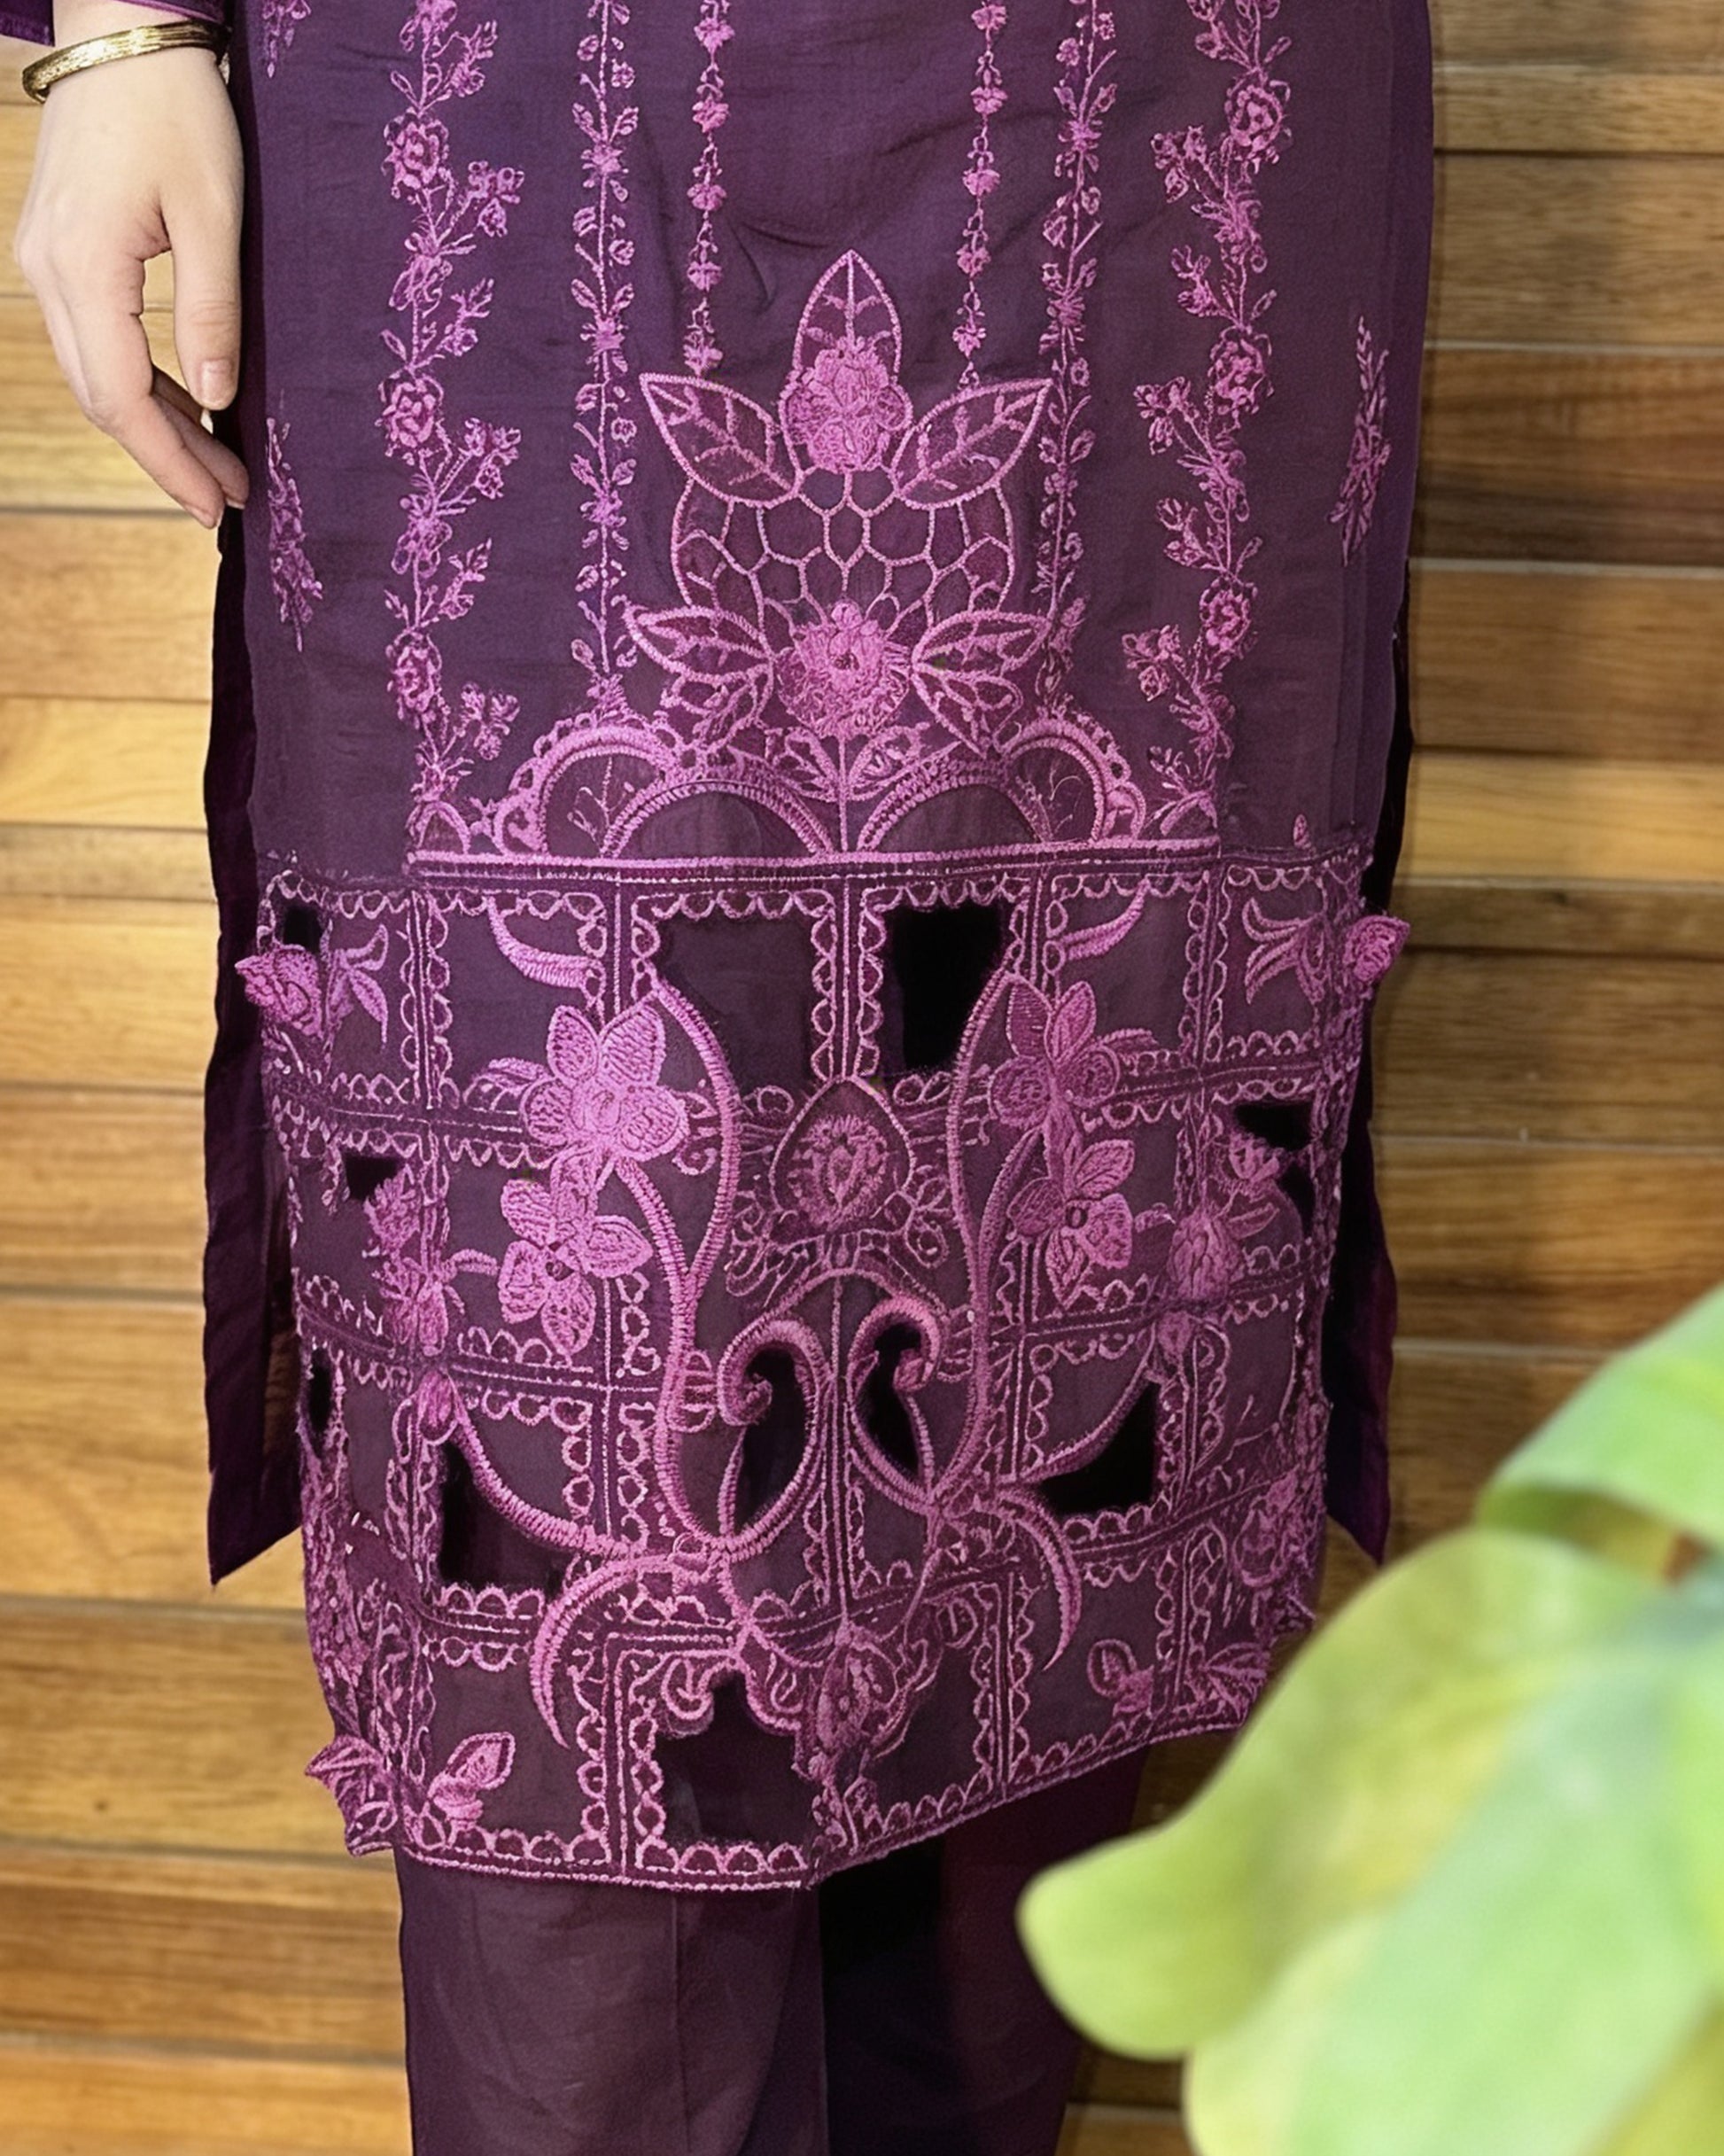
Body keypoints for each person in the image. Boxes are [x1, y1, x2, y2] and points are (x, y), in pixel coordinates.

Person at [10, 2, 1433, 2149]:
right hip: (517, 118)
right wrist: (120, 33)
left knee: (1027, 1318)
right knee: (582, 1417)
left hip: (1145, 120)